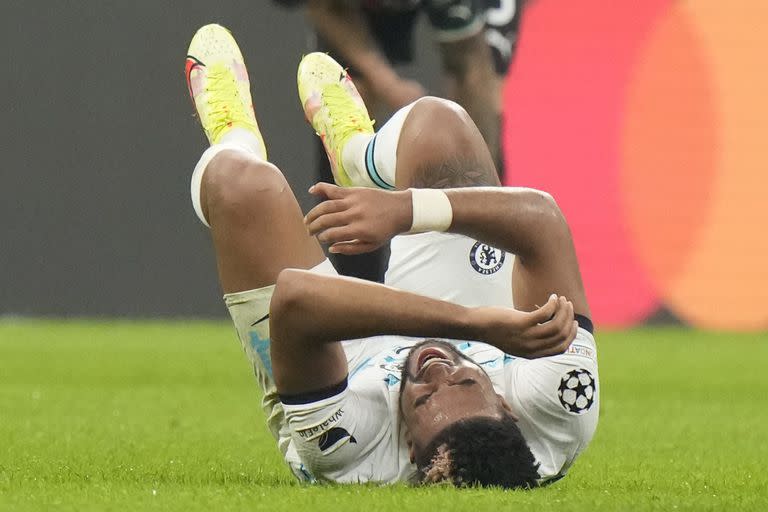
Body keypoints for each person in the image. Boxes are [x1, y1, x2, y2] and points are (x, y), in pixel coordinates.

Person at [185, 24, 598, 487]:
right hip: (478, 335)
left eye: (426, 400)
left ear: (408, 447)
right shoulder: (559, 403)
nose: (438, 367)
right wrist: (403, 209)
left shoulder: (352, 452)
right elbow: (542, 220)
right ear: (506, 408)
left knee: (241, 184)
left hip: (347, 368)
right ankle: (358, 154)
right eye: (464, 383)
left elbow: (297, 300)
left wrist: (474, 324)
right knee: (441, 126)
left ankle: (233, 132)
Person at [272, 0, 526, 283]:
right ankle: (359, 287)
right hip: (351, 11)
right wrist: (389, 84)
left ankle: (489, 265)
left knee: (486, 100)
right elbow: (326, 9)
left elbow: (470, 66)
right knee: (345, 89)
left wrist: (480, 187)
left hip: (470, 24)